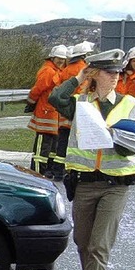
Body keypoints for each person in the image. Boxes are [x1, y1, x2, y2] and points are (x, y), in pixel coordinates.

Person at [48, 49, 135, 270]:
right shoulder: (80, 102)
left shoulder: (131, 105)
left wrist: (121, 140)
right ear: (95, 75)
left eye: (118, 72)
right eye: (109, 72)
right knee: (82, 241)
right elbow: (55, 97)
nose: (115, 77)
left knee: (99, 245)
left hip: (116, 184)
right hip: (85, 183)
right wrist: (79, 74)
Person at [54, 41, 96, 180]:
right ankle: (73, 171)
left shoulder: (65, 69)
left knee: (62, 142)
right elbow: (84, 90)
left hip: (65, 110)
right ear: (85, 55)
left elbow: (60, 88)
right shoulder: (84, 69)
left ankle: (58, 171)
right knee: (76, 144)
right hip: (78, 110)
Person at [25, 44, 67, 178]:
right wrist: (31, 102)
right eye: (58, 58)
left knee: (51, 146)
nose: (60, 61)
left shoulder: (58, 70)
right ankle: (37, 172)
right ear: (52, 58)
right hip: (45, 112)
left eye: (62, 59)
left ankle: (47, 170)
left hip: (53, 112)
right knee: (42, 147)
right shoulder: (48, 71)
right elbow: (37, 89)